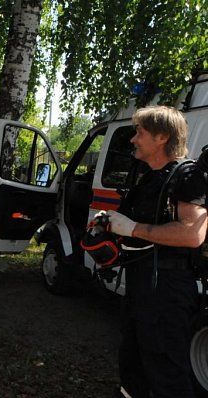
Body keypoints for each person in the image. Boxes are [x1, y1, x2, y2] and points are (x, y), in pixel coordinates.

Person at [105, 106, 207, 397]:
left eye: (140, 132)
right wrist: (107, 224)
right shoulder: (149, 177)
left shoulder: (187, 176)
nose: (133, 139)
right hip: (140, 285)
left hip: (167, 291)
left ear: (162, 137)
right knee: (133, 366)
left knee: (166, 372)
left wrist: (134, 229)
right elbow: (129, 223)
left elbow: (192, 233)